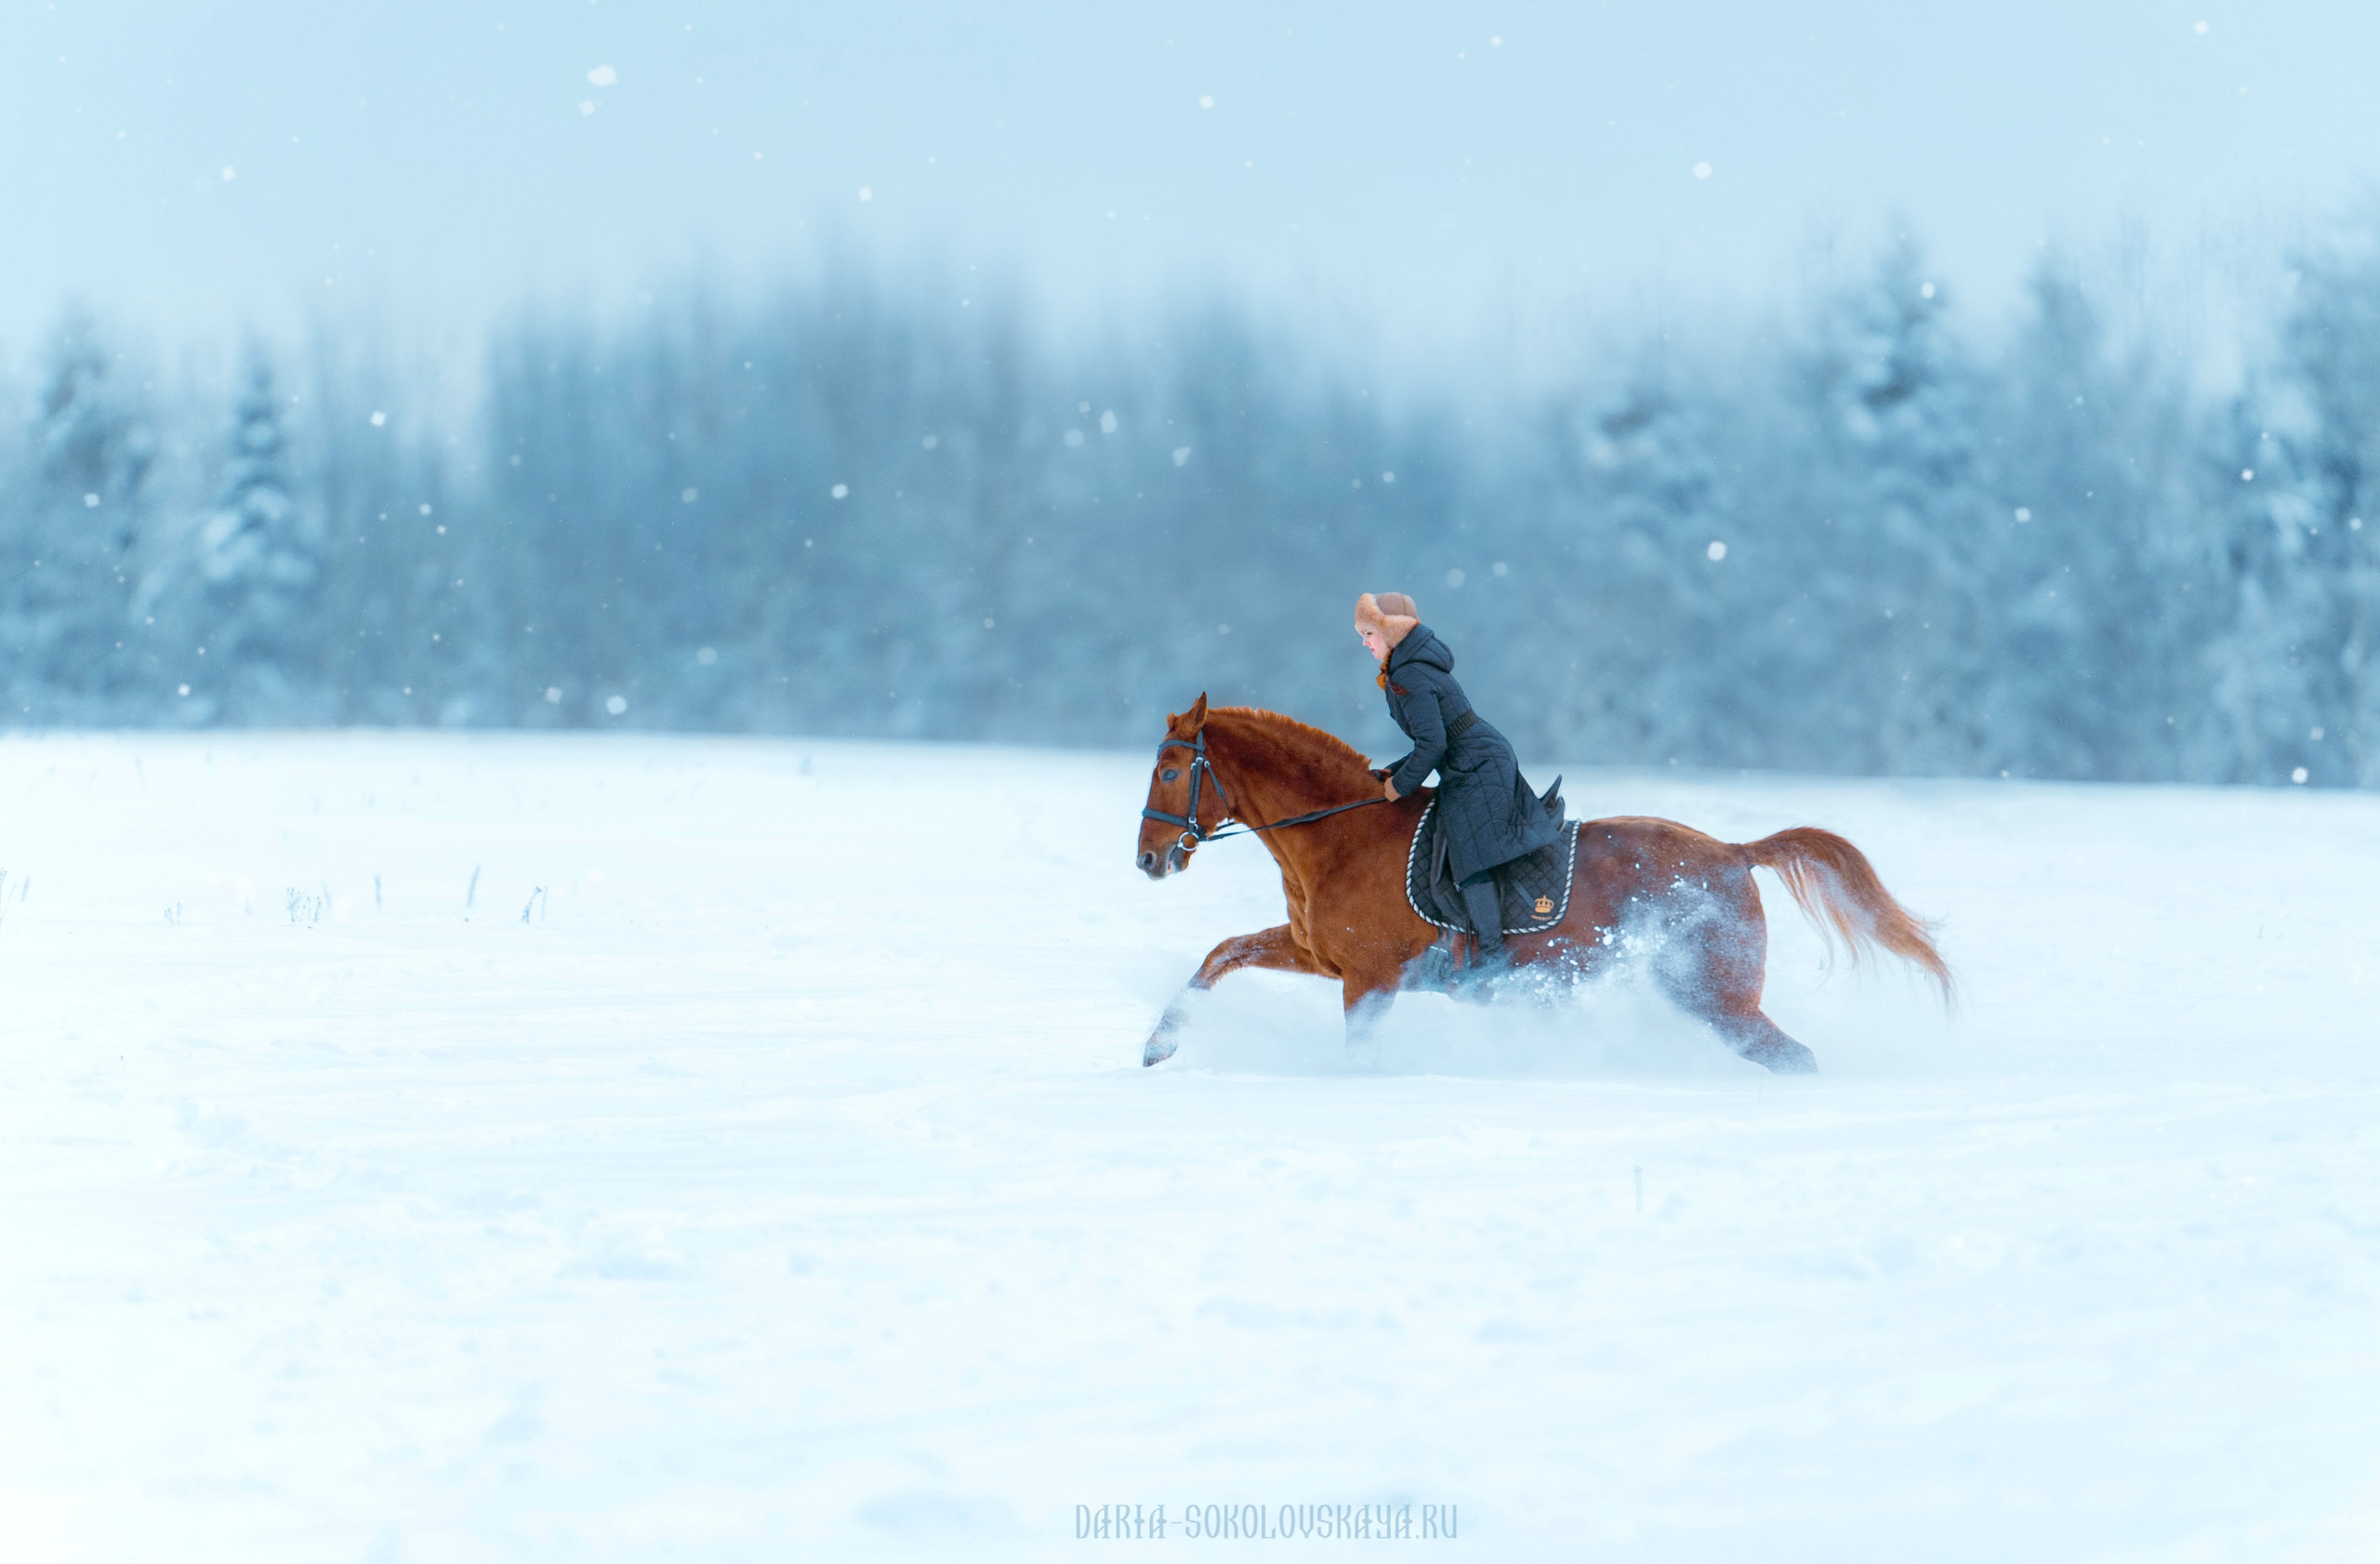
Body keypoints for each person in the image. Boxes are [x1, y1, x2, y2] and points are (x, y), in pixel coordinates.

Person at [1356, 590, 1561, 974]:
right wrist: (1392, 772)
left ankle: (1493, 956)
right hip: (1468, 758)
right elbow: (1431, 741)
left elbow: (1434, 743)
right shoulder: (1406, 667)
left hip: (1476, 765)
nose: (1365, 642)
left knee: (1469, 858)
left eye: (1369, 632)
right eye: (1362, 634)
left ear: (1392, 631)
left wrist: (1398, 787)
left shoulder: (1409, 673)